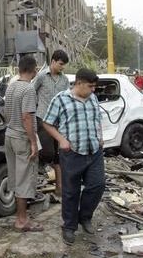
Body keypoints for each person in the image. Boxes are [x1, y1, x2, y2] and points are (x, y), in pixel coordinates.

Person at [42, 68, 105, 246]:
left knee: (98, 185)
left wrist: (100, 137)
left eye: (94, 86)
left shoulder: (93, 98)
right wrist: (61, 140)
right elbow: (47, 123)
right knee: (71, 192)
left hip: (94, 151)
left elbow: (97, 119)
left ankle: (84, 217)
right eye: (90, 86)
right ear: (79, 83)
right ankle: (69, 226)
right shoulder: (61, 99)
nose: (93, 90)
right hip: (72, 153)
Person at [3, 55, 42, 232]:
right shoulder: (28, 89)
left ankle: (20, 217)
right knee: (25, 180)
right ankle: (22, 220)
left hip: (9, 135)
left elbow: (6, 113)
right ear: (33, 70)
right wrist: (33, 142)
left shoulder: (11, 87)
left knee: (16, 178)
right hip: (21, 138)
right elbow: (27, 117)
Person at [32, 49, 69, 197]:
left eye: (64, 65)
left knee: (58, 156)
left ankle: (59, 188)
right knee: (47, 153)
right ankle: (40, 171)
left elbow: (66, 99)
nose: (62, 67)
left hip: (58, 122)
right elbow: (31, 92)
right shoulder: (41, 77)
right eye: (60, 64)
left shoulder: (64, 80)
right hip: (42, 119)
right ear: (53, 61)